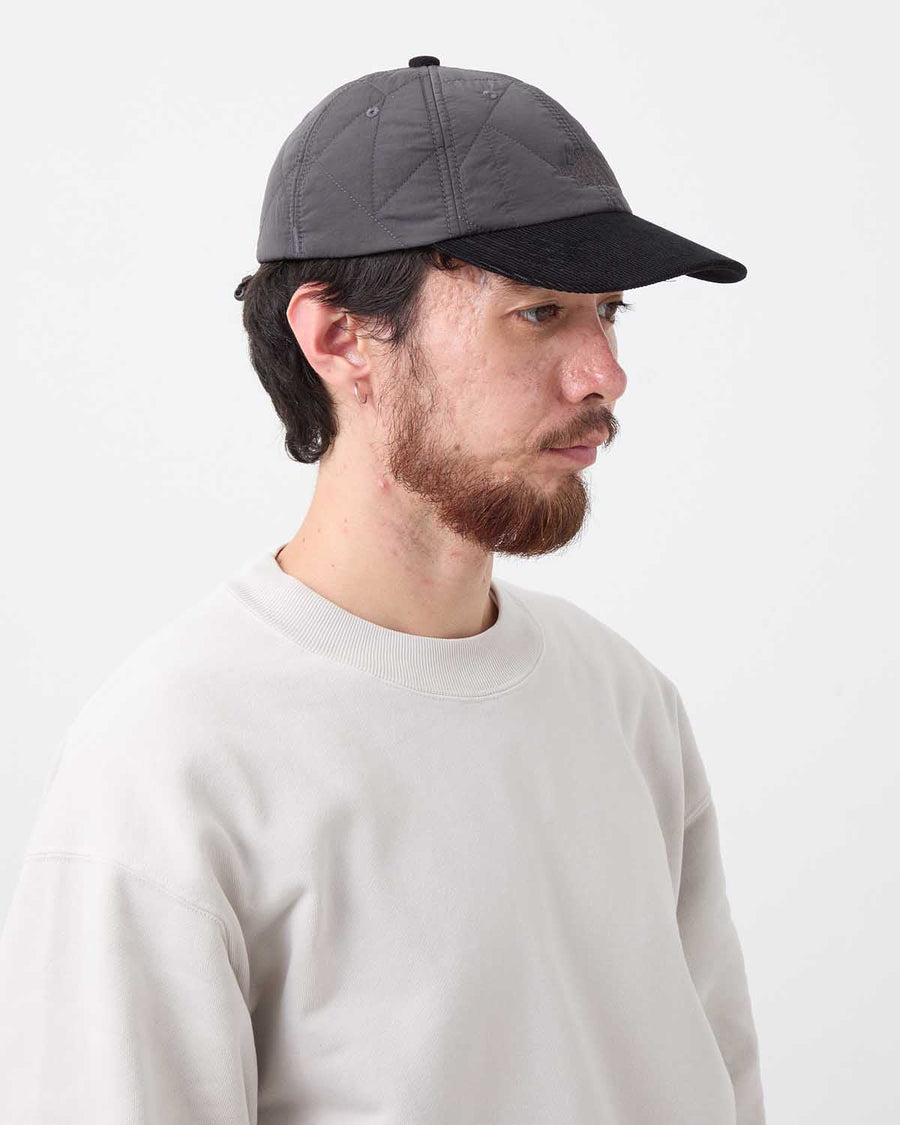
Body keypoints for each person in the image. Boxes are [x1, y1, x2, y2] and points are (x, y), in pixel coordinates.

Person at [0, 56, 766, 1124]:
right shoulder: (172, 760)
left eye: (609, 311)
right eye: (539, 311)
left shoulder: (624, 702)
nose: (605, 373)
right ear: (339, 337)